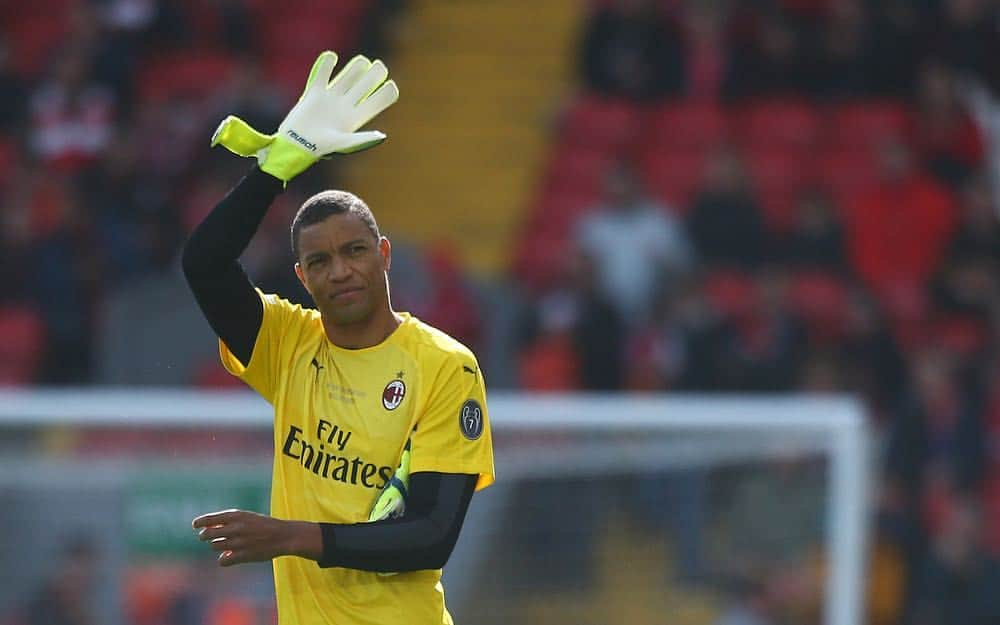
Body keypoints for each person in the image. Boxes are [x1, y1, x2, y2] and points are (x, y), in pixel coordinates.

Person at [181, 51, 495, 625]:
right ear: (302, 277)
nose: (340, 270)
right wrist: (274, 167)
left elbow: (430, 536)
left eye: (354, 252)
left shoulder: (446, 366)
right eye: (320, 261)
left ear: (383, 255)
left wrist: (288, 536)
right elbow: (204, 263)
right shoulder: (287, 345)